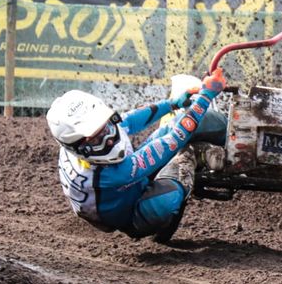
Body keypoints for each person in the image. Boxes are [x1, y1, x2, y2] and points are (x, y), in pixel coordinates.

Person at [46, 70, 226, 241]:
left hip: (128, 187)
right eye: (96, 140)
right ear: (76, 147)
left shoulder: (91, 135)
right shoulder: (103, 174)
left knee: (207, 119)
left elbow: (129, 120)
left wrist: (172, 103)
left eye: (107, 127)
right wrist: (205, 96)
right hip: (131, 215)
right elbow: (172, 140)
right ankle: (194, 154)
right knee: (166, 200)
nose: (108, 139)